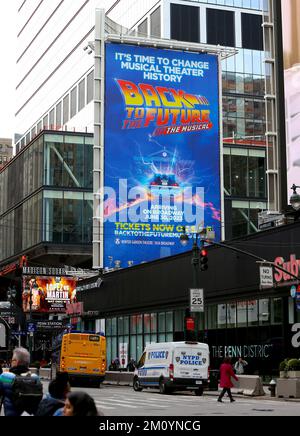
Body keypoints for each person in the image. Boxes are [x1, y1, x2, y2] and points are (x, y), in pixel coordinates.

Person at [0, 347, 42, 416]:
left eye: (12, 360)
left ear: (16, 362)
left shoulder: (5, 377)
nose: (11, 362)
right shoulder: (35, 378)